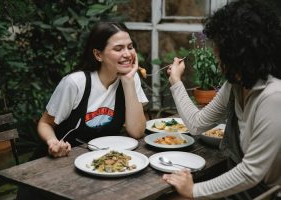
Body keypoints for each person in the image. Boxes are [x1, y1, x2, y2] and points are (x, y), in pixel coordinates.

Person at [163, 0, 281, 199]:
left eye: (219, 48)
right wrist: (176, 81)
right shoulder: (235, 85)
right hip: (246, 189)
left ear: (238, 52)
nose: (215, 54)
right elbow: (197, 124)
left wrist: (194, 190)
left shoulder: (273, 97)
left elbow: (251, 172)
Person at [35, 22, 148, 158]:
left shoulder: (130, 77)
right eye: (118, 49)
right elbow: (45, 123)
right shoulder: (75, 83)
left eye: (130, 47)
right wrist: (53, 143)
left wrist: (129, 82)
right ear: (98, 55)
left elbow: (137, 132)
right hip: (63, 159)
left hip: (104, 160)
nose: (128, 54)